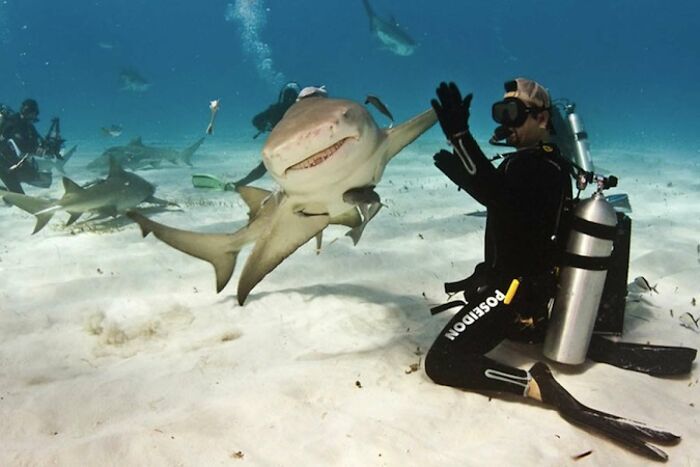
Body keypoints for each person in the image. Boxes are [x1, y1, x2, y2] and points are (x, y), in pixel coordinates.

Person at [424, 79, 695, 461]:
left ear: (543, 118)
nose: (508, 123)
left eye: (515, 114)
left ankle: (536, 386)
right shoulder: (540, 163)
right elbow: (509, 208)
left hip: (515, 293)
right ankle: (545, 330)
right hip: (522, 288)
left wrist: (460, 136)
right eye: (502, 113)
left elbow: (498, 197)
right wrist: (464, 168)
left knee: (442, 362)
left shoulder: (540, 167)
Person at [233, 83, 326, 188]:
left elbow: (256, 120)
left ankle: (240, 184)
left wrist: (264, 126)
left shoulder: (276, 109)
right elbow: (256, 120)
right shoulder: (298, 109)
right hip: (294, 145)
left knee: (264, 168)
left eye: (291, 96)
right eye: (288, 96)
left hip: (282, 146)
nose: (289, 99)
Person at [0, 98, 52, 193]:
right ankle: (7, 193)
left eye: (33, 113)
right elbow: (18, 144)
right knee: (19, 197)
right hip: (3, 164)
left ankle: (6, 190)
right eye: (28, 112)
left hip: (15, 163)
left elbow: (37, 142)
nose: (31, 115)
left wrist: (48, 147)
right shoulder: (12, 122)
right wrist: (36, 150)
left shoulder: (29, 127)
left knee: (45, 182)